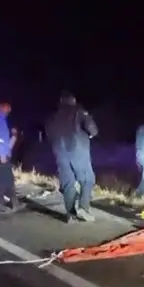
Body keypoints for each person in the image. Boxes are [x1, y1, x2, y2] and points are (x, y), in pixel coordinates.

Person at [46, 90, 99, 223]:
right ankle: (83, 208)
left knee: (68, 182)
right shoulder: (78, 111)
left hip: (59, 151)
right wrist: (90, 135)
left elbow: (48, 134)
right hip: (77, 148)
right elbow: (92, 129)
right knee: (87, 178)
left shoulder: (53, 117)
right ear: (73, 100)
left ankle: (71, 214)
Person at [0, 102, 25, 214]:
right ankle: (0, 205)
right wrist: (3, 155)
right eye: (8, 110)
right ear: (3, 108)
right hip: (0, 155)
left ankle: (14, 202)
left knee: (8, 179)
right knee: (3, 180)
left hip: (1, 154)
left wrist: (13, 137)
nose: (8, 113)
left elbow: (3, 140)